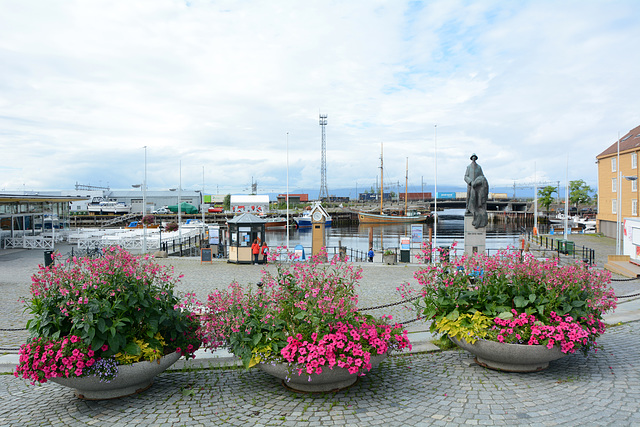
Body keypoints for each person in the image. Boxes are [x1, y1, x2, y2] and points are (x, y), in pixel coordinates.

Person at [464, 153, 489, 229]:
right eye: (472, 157)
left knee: (477, 199)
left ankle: (477, 209)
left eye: (475, 157)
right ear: (471, 158)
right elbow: (465, 177)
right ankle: (468, 209)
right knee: (469, 197)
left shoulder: (479, 167)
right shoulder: (468, 167)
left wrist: (478, 182)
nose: (474, 158)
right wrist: (471, 182)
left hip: (478, 187)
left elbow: (482, 176)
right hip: (470, 185)